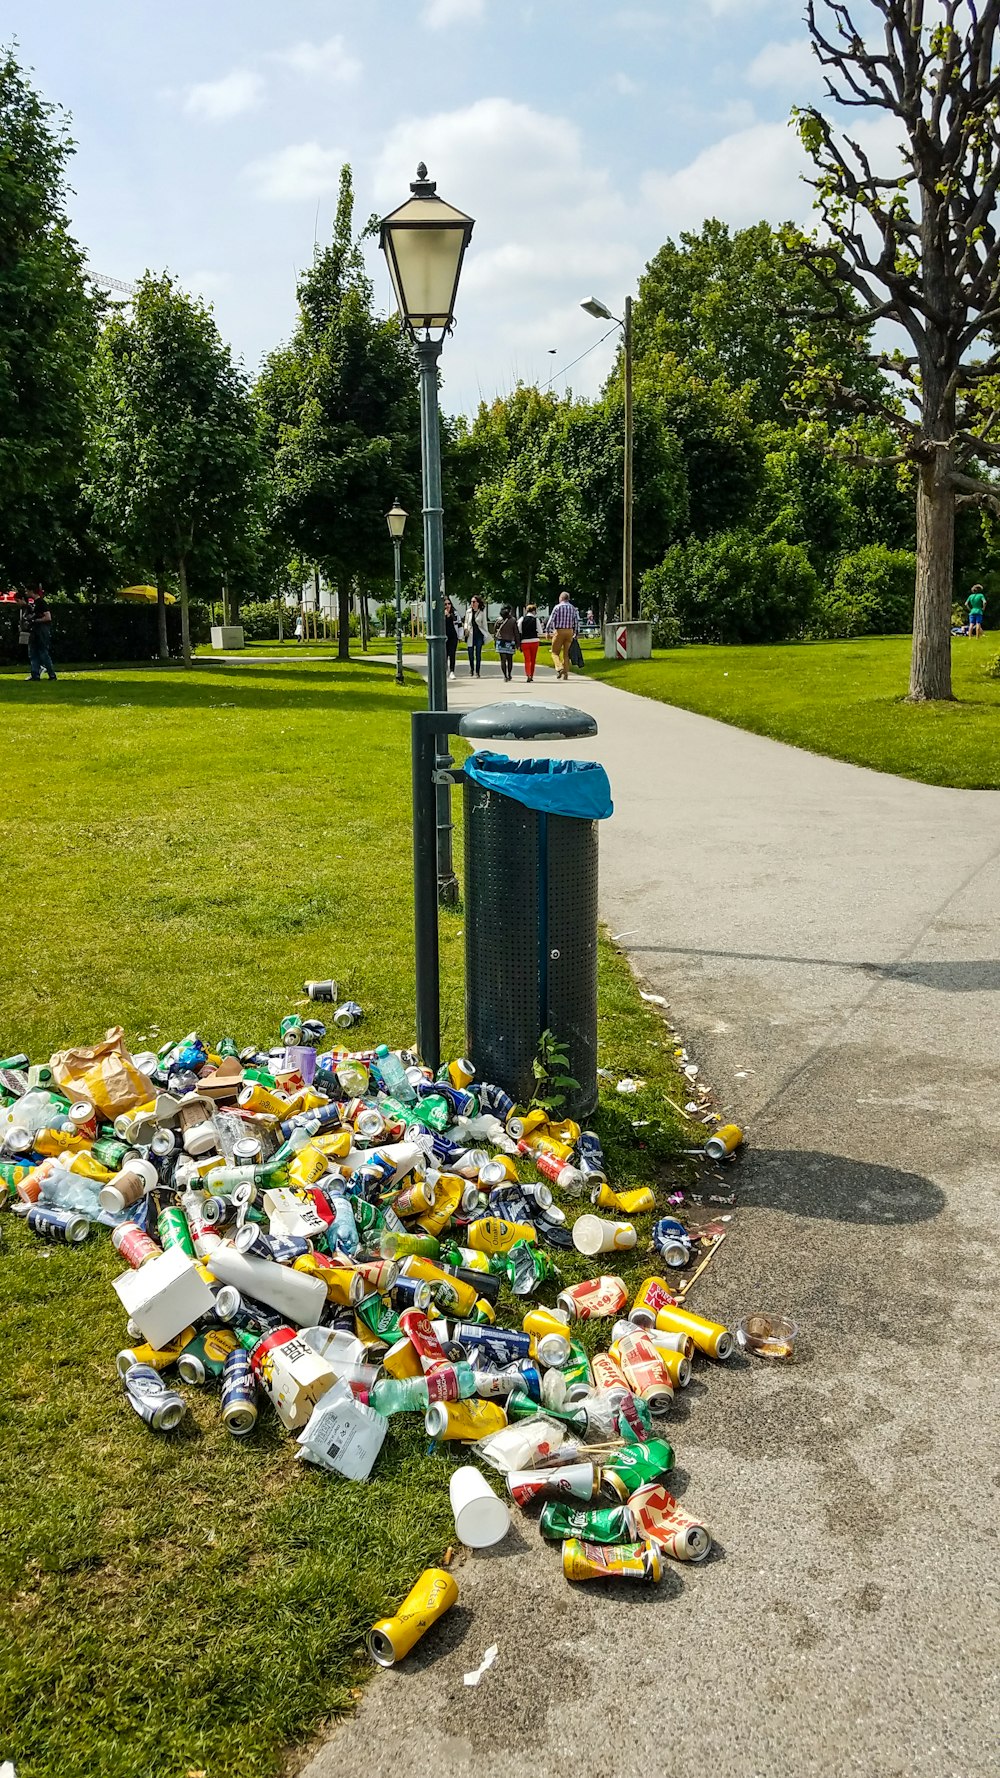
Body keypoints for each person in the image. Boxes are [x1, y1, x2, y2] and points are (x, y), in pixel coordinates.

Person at [20, 589, 57, 681]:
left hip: (41, 630)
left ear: (32, 591)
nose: (26, 593)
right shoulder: (35, 603)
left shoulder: (41, 603)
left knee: (42, 652)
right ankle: (35, 674)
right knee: (33, 652)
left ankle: (51, 674)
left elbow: (48, 617)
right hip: (35, 631)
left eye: (27, 591)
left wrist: (35, 620)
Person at [545, 591, 581, 681]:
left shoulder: (557, 607)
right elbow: (576, 621)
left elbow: (551, 620)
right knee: (566, 654)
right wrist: (576, 632)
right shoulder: (573, 608)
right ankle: (566, 674)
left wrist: (547, 631)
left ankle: (559, 668)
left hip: (559, 631)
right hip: (569, 631)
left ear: (561, 598)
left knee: (554, 652)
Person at [463, 594, 488, 677]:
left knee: (478, 654)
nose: (472, 603)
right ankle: (471, 669)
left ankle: (477, 671)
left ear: (478, 603)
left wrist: (486, 635)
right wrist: (465, 628)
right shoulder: (468, 611)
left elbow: (484, 624)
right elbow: (466, 621)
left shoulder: (481, 612)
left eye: (474, 602)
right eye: (471, 602)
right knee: (470, 653)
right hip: (470, 634)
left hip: (479, 635)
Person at [494, 605, 519, 682]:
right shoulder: (513, 620)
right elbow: (516, 632)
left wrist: (495, 641)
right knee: (510, 659)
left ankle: (505, 675)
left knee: (503, 660)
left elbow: (495, 631)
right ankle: (509, 674)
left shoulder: (498, 620)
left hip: (501, 641)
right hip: (510, 641)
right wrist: (518, 643)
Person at [518, 602, 540, 682]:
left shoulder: (522, 619)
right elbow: (540, 631)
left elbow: (519, 630)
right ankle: (532, 675)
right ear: (534, 611)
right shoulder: (536, 619)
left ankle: (528, 674)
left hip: (525, 641)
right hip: (534, 641)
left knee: (527, 659)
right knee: (533, 659)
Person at [444, 597, 459, 679]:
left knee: (452, 654)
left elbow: (458, 624)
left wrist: (460, 636)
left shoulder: (454, 613)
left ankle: (452, 671)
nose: (447, 606)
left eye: (449, 604)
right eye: (445, 604)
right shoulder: (440, 614)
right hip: (444, 637)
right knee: (445, 654)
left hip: (453, 636)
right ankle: (444, 670)